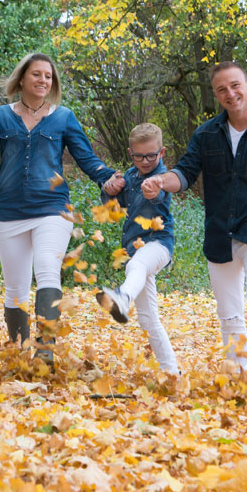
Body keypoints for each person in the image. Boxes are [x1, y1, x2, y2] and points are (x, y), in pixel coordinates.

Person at [142, 61, 247, 405]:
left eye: (235, 85)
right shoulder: (206, 135)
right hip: (219, 233)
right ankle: (239, 377)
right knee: (229, 312)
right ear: (216, 95)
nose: (230, 94)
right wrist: (160, 181)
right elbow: (184, 174)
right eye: (221, 90)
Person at [0, 52, 116, 367]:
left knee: (48, 270)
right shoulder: (0, 116)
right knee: (15, 289)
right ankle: (20, 352)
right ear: (22, 79)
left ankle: (44, 351)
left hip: (53, 209)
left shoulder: (63, 117)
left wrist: (107, 179)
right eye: (37, 74)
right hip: (9, 213)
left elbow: (87, 158)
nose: (43, 80)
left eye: (48, 76)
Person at [96, 123, 179, 375]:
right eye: (138, 156)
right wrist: (108, 190)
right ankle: (172, 374)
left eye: (151, 155)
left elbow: (160, 197)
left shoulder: (163, 178)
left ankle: (122, 297)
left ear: (162, 153)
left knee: (136, 264)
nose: (145, 161)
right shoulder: (130, 177)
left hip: (159, 244)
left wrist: (155, 191)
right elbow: (113, 211)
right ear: (130, 152)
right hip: (136, 249)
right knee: (148, 319)